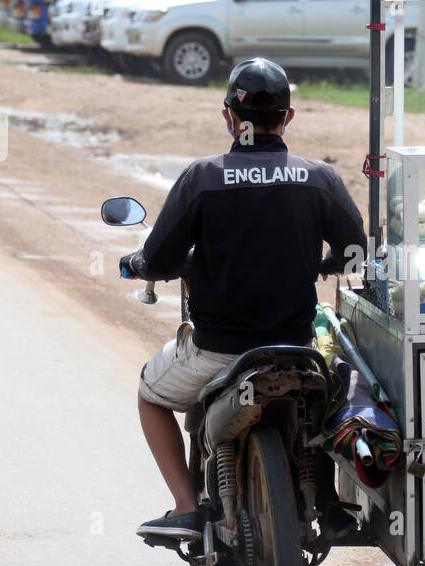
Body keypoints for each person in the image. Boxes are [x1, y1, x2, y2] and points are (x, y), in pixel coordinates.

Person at [119, 57, 366, 541]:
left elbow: (162, 258)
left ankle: (186, 506)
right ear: (288, 117)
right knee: (321, 400)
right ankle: (328, 501)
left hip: (217, 351)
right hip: (295, 348)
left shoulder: (204, 177)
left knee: (150, 395)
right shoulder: (318, 178)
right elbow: (357, 254)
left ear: (229, 116)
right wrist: (321, 263)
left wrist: (140, 264)